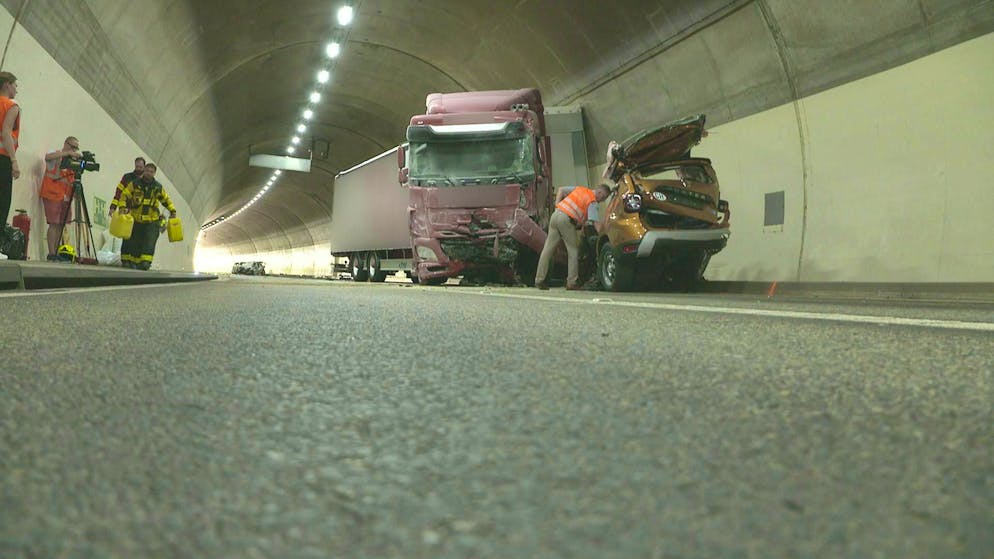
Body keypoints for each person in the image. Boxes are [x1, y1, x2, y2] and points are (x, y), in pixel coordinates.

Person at [534, 183, 611, 290]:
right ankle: (572, 282)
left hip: (556, 216)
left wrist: (557, 206)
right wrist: (604, 236)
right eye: (603, 197)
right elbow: (596, 224)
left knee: (547, 250)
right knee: (573, 251)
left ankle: (539, 280)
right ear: (599, 192)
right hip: (566, 220)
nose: (602, 200)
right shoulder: (592, 201)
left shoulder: (580, 189)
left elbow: (561, 189)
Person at [112, 162, 177, 270]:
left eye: (151, 172)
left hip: (152, 220)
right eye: (147, 171)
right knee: (134, 241)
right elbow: (124, 195)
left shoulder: (157, 187)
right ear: (144, 171)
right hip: (136, 219)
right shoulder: (135, 184)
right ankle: (133, 262)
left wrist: (172, 211)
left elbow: (165, 200)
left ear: (154, 173)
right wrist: (122, 207)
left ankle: (146, 262)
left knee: (149, 241)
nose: (148, 173)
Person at [40, 136, 82, 260]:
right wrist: (67, 153)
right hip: (52, 194)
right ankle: (51, 253)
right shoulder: (57, 155)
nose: (74, 150)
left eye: (76, 148)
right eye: (72, 147)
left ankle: (56, 253)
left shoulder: (72, 163)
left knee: (60, 225)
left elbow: (71, 181)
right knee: (53, 224)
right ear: (66, 144)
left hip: (65, 198)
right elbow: (47, 157)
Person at [0, 71, 20, 260]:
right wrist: (14, 161)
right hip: (3, 159)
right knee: (2, 202)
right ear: (6, 84)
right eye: (15, 85)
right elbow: (6, 133)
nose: (16, 89)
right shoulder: (11, 106)